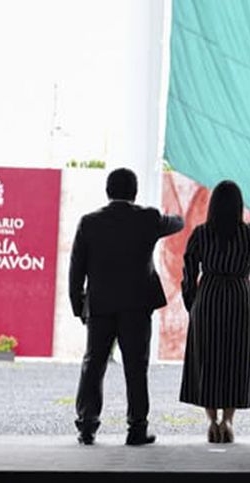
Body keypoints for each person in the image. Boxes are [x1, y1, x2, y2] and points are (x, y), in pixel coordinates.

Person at [69, 168, 184, 446]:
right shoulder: (148, 218)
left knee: (93, 365)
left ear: (108, 191)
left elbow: (76, 269)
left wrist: (78, 305)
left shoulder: (89, 222)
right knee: (135, 367)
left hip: (100, 306)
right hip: (136, 306)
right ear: (134, 193)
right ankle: (136, 429)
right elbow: (178, 223)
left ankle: (87, 427)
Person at [179, 180, 250, 443]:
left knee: (208, 358)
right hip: (238, 297)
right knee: (236, 358)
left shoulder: (201, 233)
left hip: (209, 296)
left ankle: (212, 422)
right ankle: (229, 421)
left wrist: (192, 301)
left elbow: (189, 269)